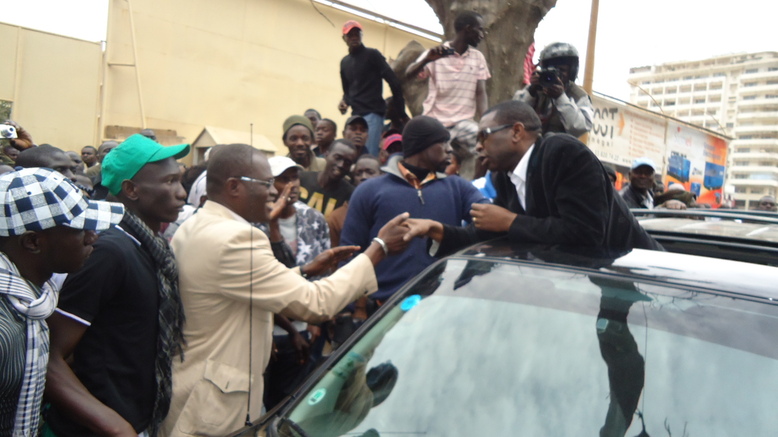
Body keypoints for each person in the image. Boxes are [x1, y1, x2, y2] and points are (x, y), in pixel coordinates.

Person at [159, 143, 410, 436]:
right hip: (212, 406)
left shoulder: (199, 223)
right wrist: (378, 249)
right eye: (266, 183)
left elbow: (234, 283)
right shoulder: (237, 237)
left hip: (194, 388)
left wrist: (303, 271)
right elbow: (317, 303)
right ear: (234, 186)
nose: (274, 192)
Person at [45, 134, 190, 437]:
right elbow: (48, 357)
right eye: (170, 182)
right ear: (131, 189)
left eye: (181, 180)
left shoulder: (152, 249)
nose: (182, 193)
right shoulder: (110, 252)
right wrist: (113, 425)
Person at [404, 100, 661, 255]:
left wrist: (511, 221)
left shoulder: (563, 152)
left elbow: (586, 233)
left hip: (635, 278)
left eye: (484, 135)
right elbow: (491, 235)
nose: (477, 146)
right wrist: (437, 230)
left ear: (516, 132)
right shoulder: (505, 175)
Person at [0, 168, 123, 437]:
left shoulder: (29, 301)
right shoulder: (4, 328)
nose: (93, 237)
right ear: (33, 241)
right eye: (81, 228)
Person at [341, 115, 484, 308]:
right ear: (422, 146)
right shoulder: (369, 191)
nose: (449, 149)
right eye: (443, 142)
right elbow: (350, 251)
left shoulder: (457, 187)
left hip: (442, 306)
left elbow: (489, 221)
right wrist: (349, 309)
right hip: (381, 310)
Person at [258, 156, 331, 409]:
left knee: (293, 399)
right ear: (269, 184)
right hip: (267, 328)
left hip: (306, 325)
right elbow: (264, 282)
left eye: (295, 178)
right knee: (264, 399)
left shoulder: (314, 218)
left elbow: (324, 271)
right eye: (283, 180)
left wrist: (315, 319)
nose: (292, 185)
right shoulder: (256, 222)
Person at [405, 11, 490, 127]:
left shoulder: (478, 58)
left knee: (480, 140)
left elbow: (480, 93)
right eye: (480, 30)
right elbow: (409, 74)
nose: (482, 35)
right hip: (435, 121)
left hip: (464, 123)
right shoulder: (437, 53)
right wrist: (426, 60)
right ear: (468, 29)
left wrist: (486, 122)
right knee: (435, 143)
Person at [339, 20, 406, 157]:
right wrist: (344, 102)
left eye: (357, 33)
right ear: (344, 38)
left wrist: (401, 112)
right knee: (353, 156)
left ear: (361, 35)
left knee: (368, 157)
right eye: (350, 35)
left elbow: (394, 82)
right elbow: (347, 92)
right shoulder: (345, 62)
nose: (354, 37)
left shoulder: (372, 55)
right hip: (355, 117)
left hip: (373, 114)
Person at [513, 42, 593, 137]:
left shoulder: (579, 96)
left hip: (560, 149)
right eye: (551, 70)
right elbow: (513, 115)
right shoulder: (537, 88)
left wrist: (561, 98)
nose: (556, 75)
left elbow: (580, 127)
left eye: (561, 70)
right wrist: (531, 91)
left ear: (571, 72)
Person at [327, 154, 383, 247]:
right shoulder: (337, 217)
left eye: (370, 172)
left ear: (382, 175)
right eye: (358, 173)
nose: (364, 177)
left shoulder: (390, 209)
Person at [298, 140, 358, 218]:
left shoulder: (350, 195)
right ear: (326, 155)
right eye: (337, 158)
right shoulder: (301, 179)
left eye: (347, 162)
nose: (341, 165)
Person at [619, 158, 686, 210]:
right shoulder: (622, 199)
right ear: (630, 175)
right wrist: (662, 207)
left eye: (648, 173)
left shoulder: (651, 195)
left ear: (653, 177)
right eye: (638, 172)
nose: (643, 176)